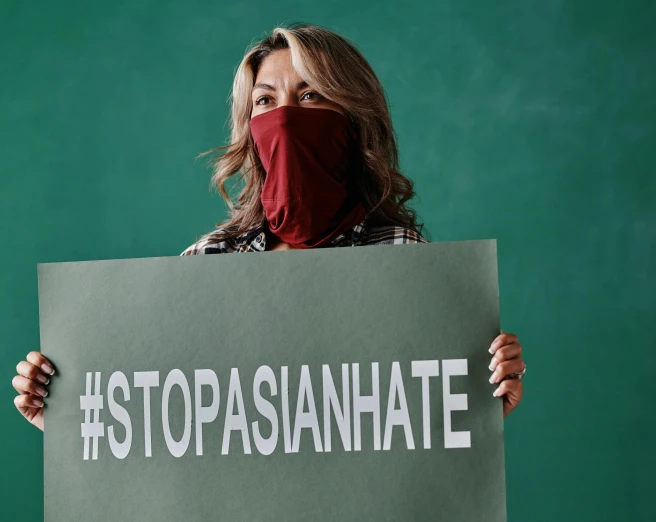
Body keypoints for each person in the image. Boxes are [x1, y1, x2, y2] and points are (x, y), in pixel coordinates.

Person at [12, 24, 526, 432]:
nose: (283, 118)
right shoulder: (208, 262)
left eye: (308, 97)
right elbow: (164, 420)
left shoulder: (400, 254)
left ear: (352, 119)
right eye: (265, 101)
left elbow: (417, 420)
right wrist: (65, 422)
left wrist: (483, 403)